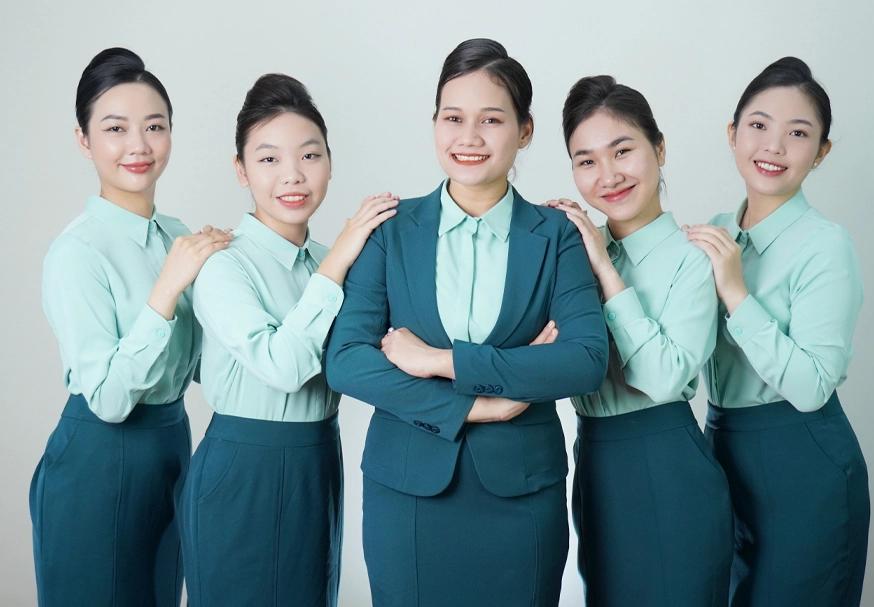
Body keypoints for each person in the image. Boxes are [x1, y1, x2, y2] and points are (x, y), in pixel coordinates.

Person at [326, 38, 608, 607]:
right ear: (434, 124)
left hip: (523, 495)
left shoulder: (556, 236)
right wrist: (482, 404)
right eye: (453, 118)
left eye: (491, 120)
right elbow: (347, 360)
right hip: (407, 491)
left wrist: (439, 362)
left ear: (525, 131)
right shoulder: (390, 228)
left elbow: (584, 360)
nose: (469, 138)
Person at [178, 73, 397, 607]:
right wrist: (343, 257)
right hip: (242, 468)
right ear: (241, 170)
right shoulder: (224, 264)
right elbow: (282, 365)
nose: (293, 176)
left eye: (309, 155)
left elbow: (378, 352)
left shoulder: (329, 258)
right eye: (269, 159)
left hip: (317, 460)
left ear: (329, 161)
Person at [30, 47, 231, 606]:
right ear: (84, 139)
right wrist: (168, 288)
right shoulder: (77, 252)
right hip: (99, 457)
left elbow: (198, 365)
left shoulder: (176, 233)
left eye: (154, 126)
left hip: (172, 448)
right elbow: (110, 398)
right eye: (115, 128)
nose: (138, 145)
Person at [686, 57, 869, 606]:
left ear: (822, 152)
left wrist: (737, 292)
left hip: (802, 457)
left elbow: (813, 385)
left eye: (798, 134)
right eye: (759, 125)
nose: (774, 146)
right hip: (723, 448)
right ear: (732, 133)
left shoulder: (824, 245)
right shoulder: (717, 229)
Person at [547, 74, 733, 606]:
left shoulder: (694, 256)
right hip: (596, 462)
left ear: (659, 148)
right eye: (586, 160)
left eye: (622, 150)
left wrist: (604, 268)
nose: (608, 175)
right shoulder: (572, 251)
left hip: (668, 460)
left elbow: (661, 377)